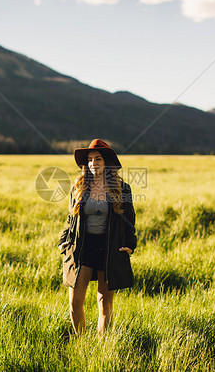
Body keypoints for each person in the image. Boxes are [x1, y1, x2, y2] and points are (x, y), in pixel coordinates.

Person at [58, 138, 137, 336]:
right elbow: (70, 218)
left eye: (98, 159)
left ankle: (101, 348)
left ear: (107, 162)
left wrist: (130, 244)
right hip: (82, 247)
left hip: (109, 248)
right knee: (75, 302)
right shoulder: (79, 187)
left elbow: (129, 219)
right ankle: (82, 342)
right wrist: (63, 240)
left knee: (104, 303)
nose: (93, 163)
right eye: (90, 160)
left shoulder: (122, 188)